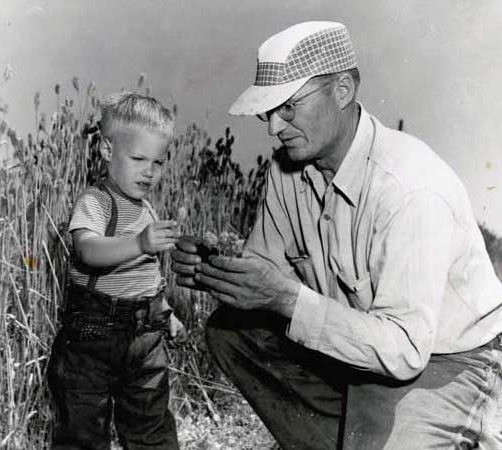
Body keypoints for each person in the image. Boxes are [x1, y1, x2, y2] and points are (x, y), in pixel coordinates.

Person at [172, 21, 502, 449]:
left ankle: (460, 430)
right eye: (266, 112)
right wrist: (216, 268)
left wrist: (285, 298)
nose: (273, 127)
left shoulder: (410, 188)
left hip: (450, 358)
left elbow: (404, 350)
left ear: (342, 91)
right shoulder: (287, 169)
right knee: (231, 332)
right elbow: (265, 271)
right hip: (364, 346)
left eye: (288, 107)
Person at [48, 92, 184, 450]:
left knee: (151, 426)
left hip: (145, 335)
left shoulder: (147, 210)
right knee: (83, 429)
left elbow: (148, 275)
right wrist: (139, 243)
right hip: (94, 334)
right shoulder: (96, 201)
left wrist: (165, 312)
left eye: (157, 162)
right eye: (138, 158)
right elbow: (87, 249)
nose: (148, 171)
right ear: (107, 151)